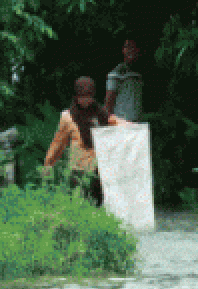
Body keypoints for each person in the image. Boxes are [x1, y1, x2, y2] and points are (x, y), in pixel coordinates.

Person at [44, 77, 127, 206]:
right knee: (79, 205)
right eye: (82, 96)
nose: (85, 100)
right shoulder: (68, 116)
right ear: (76, 96)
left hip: (98, 170)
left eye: (89, 96)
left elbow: (116, 122)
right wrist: (48, 163)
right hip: (78, 170)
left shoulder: (100, 114)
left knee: (97, 206)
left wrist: (134, 126)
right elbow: (58, 143)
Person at [104, 39, 143, 121]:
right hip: (120, 124)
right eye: (127, 46)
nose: (130, 50)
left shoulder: (139, 73)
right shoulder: (117, 73)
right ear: (122, 50)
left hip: (136, 124)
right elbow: (109, 102)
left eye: (133, 47)